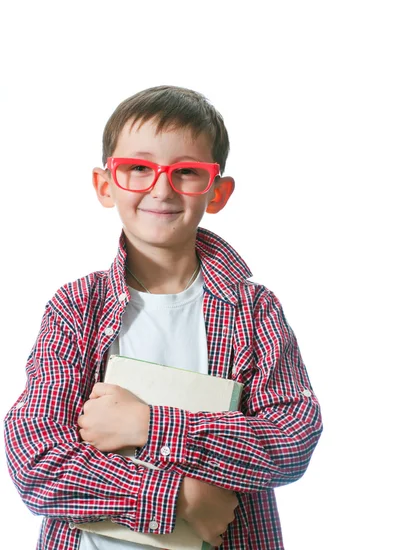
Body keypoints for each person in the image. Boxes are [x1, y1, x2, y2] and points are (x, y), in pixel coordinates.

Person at [4, 85, 322, 550]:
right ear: (105, 184)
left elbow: (291, 438)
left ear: (217, 192)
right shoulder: (76, 307)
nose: (161, 188)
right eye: (138, 168)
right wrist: (181, 497)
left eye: (187, 172)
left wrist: (148, 426)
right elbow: (37, 462)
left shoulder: (253, 311)